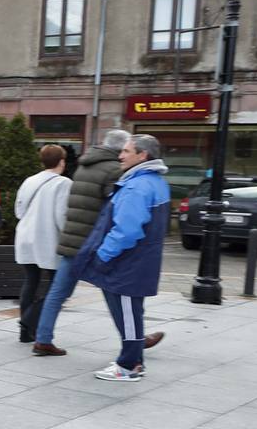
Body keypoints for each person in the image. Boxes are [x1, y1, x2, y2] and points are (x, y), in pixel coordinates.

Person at [32, 130, 139, 356]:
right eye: (127, 148)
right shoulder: (113, 170)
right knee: (113, 291)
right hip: (94, 242)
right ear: (119, 149)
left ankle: (42, 338)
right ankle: (134, 340)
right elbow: (115, 208)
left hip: (73, 239)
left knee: (58, 293)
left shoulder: (85, 164)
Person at [76, 134, 171, 381]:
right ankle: (133, 361)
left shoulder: (137, 186)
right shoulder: (153, 181)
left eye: (127, 151)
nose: (120, 155)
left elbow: (127, 230)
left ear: (143, 155)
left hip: (128, 263)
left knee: (128, 314)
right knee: (130, 313)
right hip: (138, 261)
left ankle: (130, 366)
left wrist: (103, 255)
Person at [13, 145, 71, 343]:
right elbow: (61, 215)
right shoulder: (63, 183)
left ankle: (25, 331)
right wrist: (68, 236)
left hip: (25, 236)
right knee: (57, 287)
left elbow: (18, 211)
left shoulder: (30, 180)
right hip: (47, 239)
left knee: (31, 281)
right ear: (62, 161)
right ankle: (30, 321)